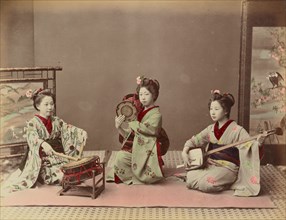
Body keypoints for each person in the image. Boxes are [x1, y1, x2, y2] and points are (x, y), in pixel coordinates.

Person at [1, 88, 87, 195]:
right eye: (46, 104)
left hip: (57, 155)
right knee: (60, 175)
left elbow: (68, 128)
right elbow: (32, 137)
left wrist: (80, 132)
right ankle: (44, 177)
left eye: (52, 104)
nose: (50, 107)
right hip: (42, 159)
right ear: (38, 106)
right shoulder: (33, 123)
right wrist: (43, 143)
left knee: (72, 170)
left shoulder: (56, 120)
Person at [182, 90, 266, 196]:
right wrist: (184, 152)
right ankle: (218, 181)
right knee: (190, 179)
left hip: (228, 167)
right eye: (211, 109)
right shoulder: (210, 129)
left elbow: (250, 147)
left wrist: (259, 143)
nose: (212, 112)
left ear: (226, 111)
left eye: (216, 109)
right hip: (211, 164)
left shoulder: (237, 130)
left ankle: (230, 182)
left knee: (208, 184)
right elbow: (193, 141)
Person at [107, 76, 169, 184]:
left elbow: (146, 130)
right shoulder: (139, 111)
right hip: (138, 147)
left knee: (122, 158)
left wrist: (131, 121)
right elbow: (130, 135)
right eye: (141, 94)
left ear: (154, 95)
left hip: (148, 149)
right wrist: (119, 127)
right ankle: (137, 172)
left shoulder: (156, 115)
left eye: (146, 94)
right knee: (120, 157)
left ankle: (142, 173)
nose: (143, 98)